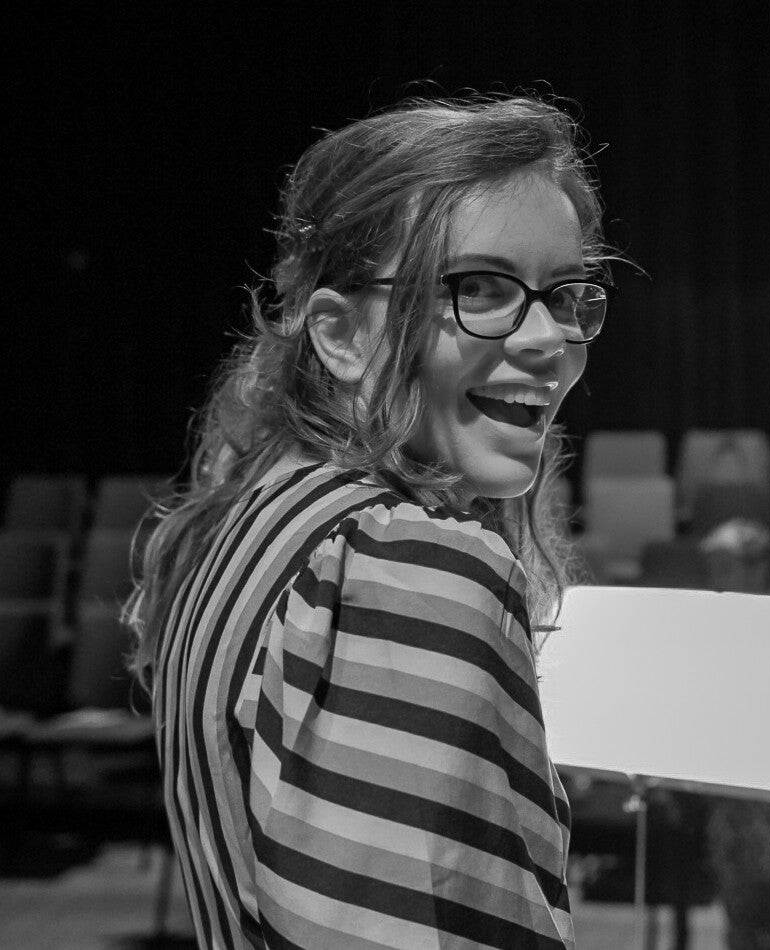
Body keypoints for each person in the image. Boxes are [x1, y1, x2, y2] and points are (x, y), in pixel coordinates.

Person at [123, 95, 620, 949]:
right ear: (342, 334)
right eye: (480, 288)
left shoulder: (255, 513)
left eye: (567, 294)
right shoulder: (403, 564)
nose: (549, 340)